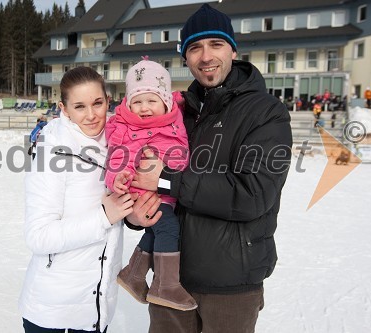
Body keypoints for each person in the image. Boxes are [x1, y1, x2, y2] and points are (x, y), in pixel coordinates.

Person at [127, 4, 293, 333]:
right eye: (195, 47)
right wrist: (136, 215)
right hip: (171, 278)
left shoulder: (265, 112)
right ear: (184, 57)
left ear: (233, 48)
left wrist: (166, 179)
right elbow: (141, 171)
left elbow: (252, 194)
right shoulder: (175, 112)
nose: (205, 56)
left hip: (231, 285)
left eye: (215, 44)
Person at [19, 67, 136, 333]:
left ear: (108, 100)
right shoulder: (52, 153)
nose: (92, 115)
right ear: (64, 108)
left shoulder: (119, 144)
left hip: (97, 310)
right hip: (53, 315)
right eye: (80, 106)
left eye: (97, 103)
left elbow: (122, 206)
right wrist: (104, 217)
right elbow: (39, 236)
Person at [104, 57, 196, 311]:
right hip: (144, 192)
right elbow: (117, 158)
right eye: (137, 102)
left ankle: (133, 275)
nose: (144, 108)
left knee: (155, 229)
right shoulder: (128, 127)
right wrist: (118, 178)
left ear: (165, 103)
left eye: (151, 101)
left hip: (168, 189)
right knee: (167, 228)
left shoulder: (175, 116)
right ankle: (166, 285)